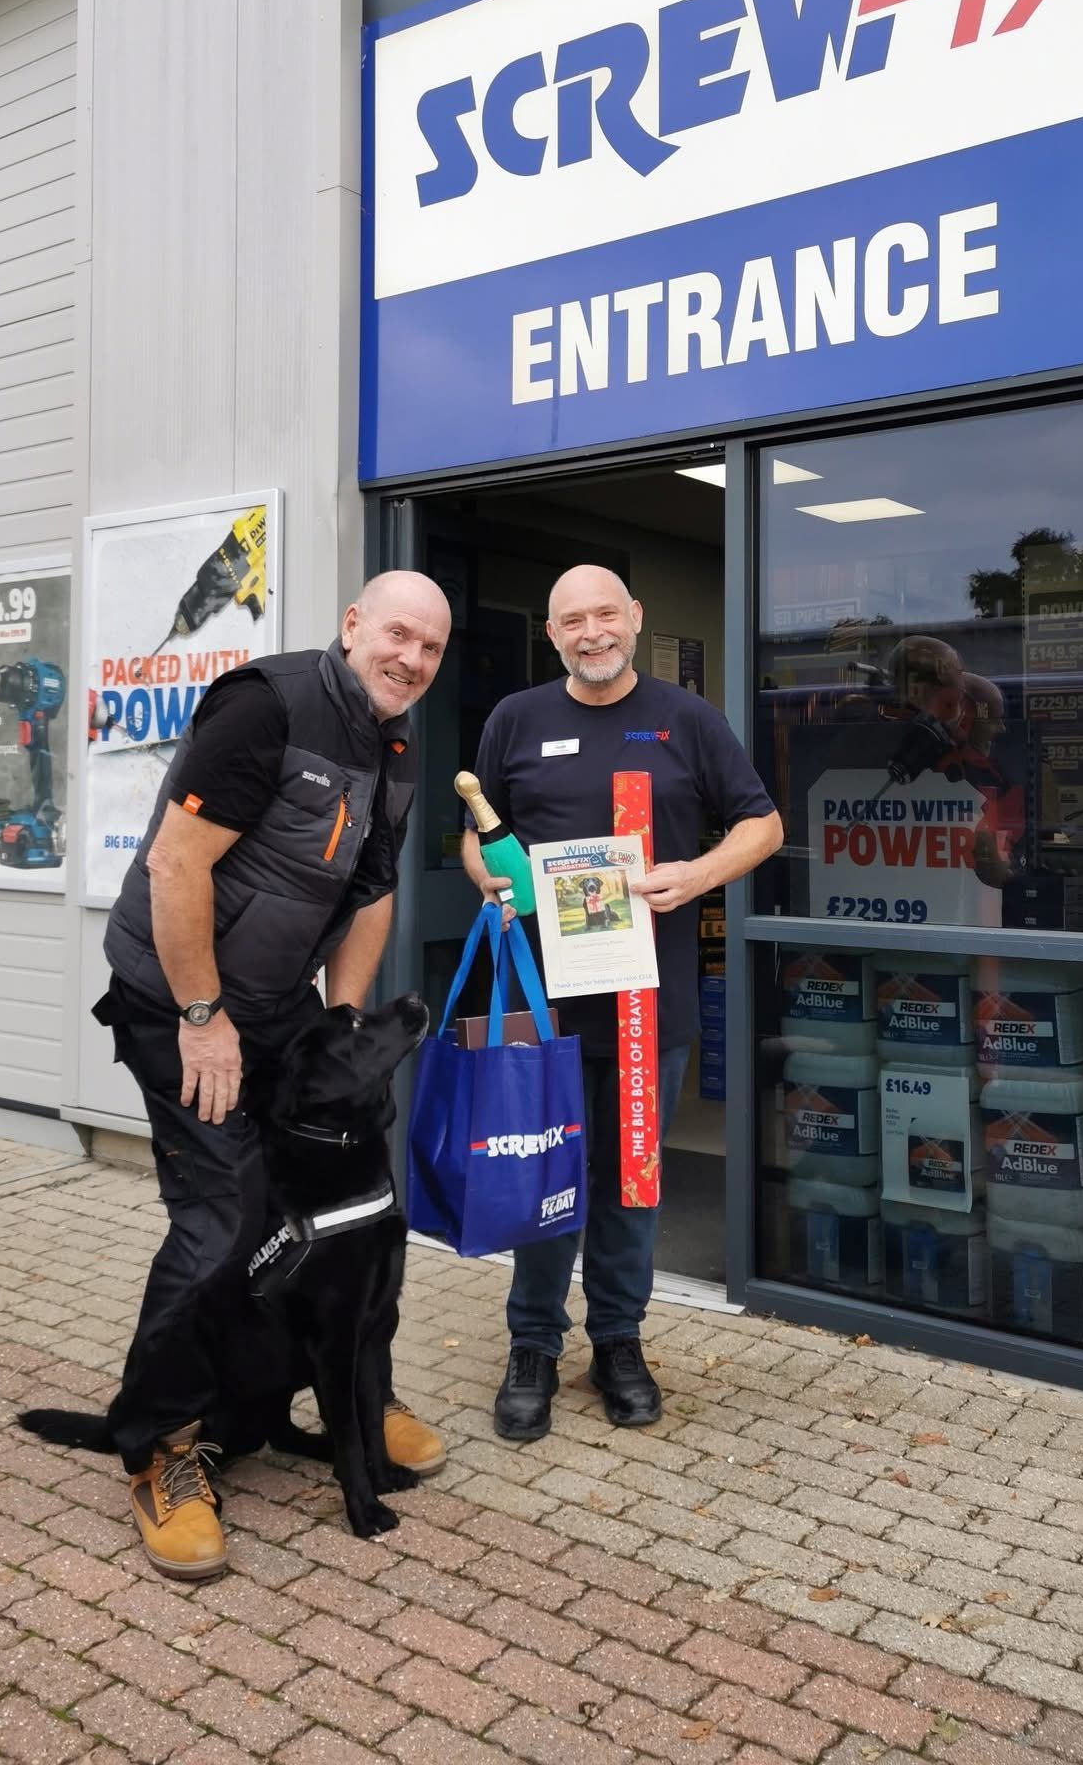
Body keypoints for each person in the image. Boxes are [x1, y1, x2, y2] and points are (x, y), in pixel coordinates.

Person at [93, 570, 452, 1580]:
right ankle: (162, 1447)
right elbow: (176, 865)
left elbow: (371, 892)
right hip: (177, 1000)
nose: (411, 659)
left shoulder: (392, 743)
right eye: (397, 634)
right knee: (224, 1216)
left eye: (430, 647)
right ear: (353, 625)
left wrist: (342, 1027)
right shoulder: (266, 706)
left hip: (279, 1002)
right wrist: (202, 1018)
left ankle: (357, 1393)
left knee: (357, 1197)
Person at [463, 564, 782, 1442]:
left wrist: (699, 875)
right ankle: (533, 1345)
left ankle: (617, 1342)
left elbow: (763, 825)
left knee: (631, 1184)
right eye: (572, 620)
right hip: (544, 1009)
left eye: (605, 614)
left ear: (635, 617)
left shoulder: (687, 719)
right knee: (544, 1176)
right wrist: (489, 877)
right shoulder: (516, 719)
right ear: (553, 633)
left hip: (648, 1007)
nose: (591, 632)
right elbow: (478, 835)